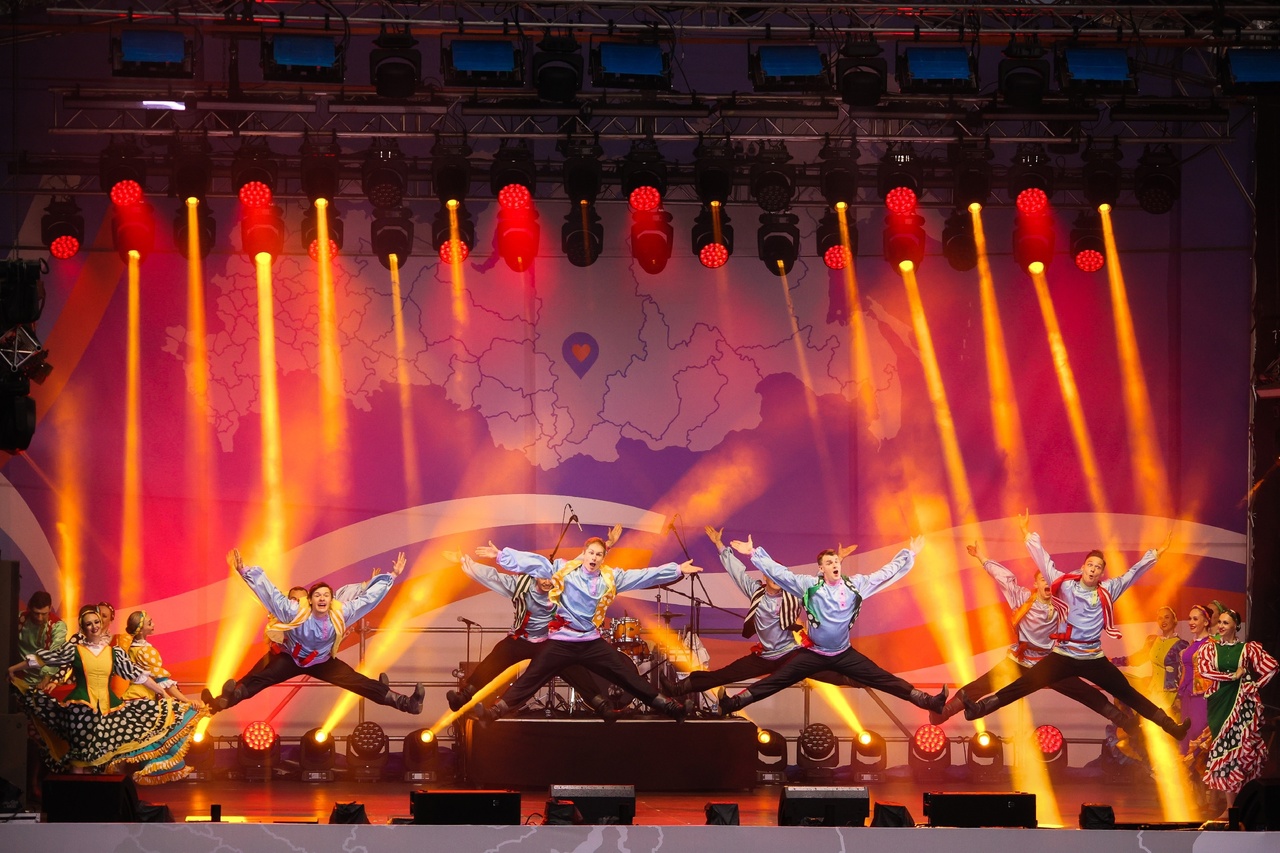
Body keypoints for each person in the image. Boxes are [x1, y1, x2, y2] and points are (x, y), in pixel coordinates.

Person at [960, 513, 1190, 742]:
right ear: (1083, 567)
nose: (1093, 569)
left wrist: (1156, 553)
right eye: (1090, 565)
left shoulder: (1108, 590)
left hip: (1093, 658)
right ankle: (979, 709)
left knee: (1128, 693)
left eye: (1098, 567)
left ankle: (1172, 727)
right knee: (1025, 684)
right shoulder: (1065, 585)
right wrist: (1026, 533)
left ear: (1101, 574)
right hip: (1064, 655)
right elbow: (1043, 561)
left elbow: (1133, 573)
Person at [469, 535, 699, 720]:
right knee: (532, 677)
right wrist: (501, 555)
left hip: (590, 641)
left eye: (598, 554)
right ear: (584, 554)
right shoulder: (565, 571)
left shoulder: (610, 578)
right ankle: (494, 712)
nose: (594, 557)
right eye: (591, 553)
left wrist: (677, 570)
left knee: (627, 675)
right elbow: (536, 563)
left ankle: (671, 708)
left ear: (603, 558)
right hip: (561, 641)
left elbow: (644, 576)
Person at [716, 535, 947, 716]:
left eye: (836, 561)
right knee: (777, 680)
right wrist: (754, 553)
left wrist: (909, 553)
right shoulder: (810, 587)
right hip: (815, 654)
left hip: (844, 653)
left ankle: (929, 702)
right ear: (821, 569)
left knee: (882, 678)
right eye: (829, 562)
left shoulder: (855, 585)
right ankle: (732, 703)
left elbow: (884, 574)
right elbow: (781, 574)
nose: (835, 564)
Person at [931, 542, 1138, 732]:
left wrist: (1092, 567)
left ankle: (1126, 723)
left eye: (1049, 580)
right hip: (1020, 659)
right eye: (1042, 580)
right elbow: (1003, 578)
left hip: (1050, 664)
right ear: (1036, 583)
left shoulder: (1063, 600)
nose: (1047, 583)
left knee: (1086, 693)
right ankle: (943, 713)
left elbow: (1081, 576)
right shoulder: (1022, 598)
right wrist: (981, 557)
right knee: (981, 685)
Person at [203, 549, 424, 715]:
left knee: (358, 682)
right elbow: (269, 593)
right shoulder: (294, 611)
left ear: (331, 599)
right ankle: (222, 701)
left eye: (326, 595)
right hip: (290, 658)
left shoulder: (341, 613)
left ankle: (407, 703)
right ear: (309, 600)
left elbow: (368, 600)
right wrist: (244, 570)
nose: (322, 599)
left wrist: (391, 576)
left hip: (321, 661)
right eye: (317, 595)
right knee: (260, 677)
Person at [8, 604, 204, 784]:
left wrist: (163, 693)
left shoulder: (114, 653)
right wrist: (14, 669)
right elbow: (44, 659)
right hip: (81, 710)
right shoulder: (74, 650)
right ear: (83, 628)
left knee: (99, 761)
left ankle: (94, 804)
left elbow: (138, 676)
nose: (94, 627)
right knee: (79, 760)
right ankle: (76, 801)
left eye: (96, 622)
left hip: (108, 711)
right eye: (88, 624)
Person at [661, 527, 860, 699]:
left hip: (790, 654)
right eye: (771, 574)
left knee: (824, 670)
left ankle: (862, 679)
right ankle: (678, 688)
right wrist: (719, 544)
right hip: (764, 655)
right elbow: (737, 573)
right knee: (723, 675)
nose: (775, 578)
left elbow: (818, 584)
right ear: (765, 576)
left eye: (778, 574)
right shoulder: (756, 592)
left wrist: (838, 559)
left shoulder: (794, 593)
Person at [445, 552, 619, 719]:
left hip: (550, 642)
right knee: (497, 657)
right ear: (535, 575)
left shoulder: (564, 587)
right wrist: (463, 560)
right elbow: (492, 576)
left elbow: (582, 563)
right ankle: (463, 696)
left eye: (551, 577)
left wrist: (607, 545)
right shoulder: (520, 585)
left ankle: (602, 706)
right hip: (522, 638)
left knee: (571, 665)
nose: (547, 582)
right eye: (543, 577)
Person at [1194, 607, 1277, 815]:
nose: (1221, 626)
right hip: (1219, 703)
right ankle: (1230, 808)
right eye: (1219, 622)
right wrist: (1231, 676)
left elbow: (1272, 667)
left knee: (1239, 754)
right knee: (1223, 752)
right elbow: (1205, 671)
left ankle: (1239, 808)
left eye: (1226, 622)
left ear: (1236, 626)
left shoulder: (1247, 649)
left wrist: (1254, 686)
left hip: (1241, 704)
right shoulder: (1210, 649)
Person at [1111, 605, 1187, 713]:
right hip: (1152, 690)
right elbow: (1137, 659)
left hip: (1169, 694)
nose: (1163, 621)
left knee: (1162, 720)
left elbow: (1185, 673)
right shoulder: (1153, 640)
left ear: (1174, 620)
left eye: (1167, 617)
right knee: (1117, 679)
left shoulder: (1181, 645)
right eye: (1160, 618)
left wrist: (1179, 697)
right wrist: (1112, 661)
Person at [119, 611, 204, 706]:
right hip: (144, 697)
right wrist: (185, 700)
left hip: (135, 695)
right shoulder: (145, 651)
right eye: (149, 623)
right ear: (141, 631)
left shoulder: (132, 649)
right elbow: (162, 680)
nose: (153, 624)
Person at [1176, 604, 1215, 753]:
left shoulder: (1211, 644)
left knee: (1198, 732)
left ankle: (1200, 765)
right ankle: (1187, 765)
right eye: (1190, 618)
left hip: (1201, 696)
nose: (1191, 622)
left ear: (1205, 622)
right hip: (1187, 695)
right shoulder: (1193, 644)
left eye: (1195, 619)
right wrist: (1180, 692)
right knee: (1186, 733)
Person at [16, 590, 67, 689]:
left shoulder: (57, 626)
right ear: (30, 608)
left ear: (50, 608)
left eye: (44, 614)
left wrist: (46, 678)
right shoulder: (20, 619)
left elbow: (55, 654)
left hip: (45, 681)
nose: (39, 618)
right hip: (20, 679)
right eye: (36, 613)